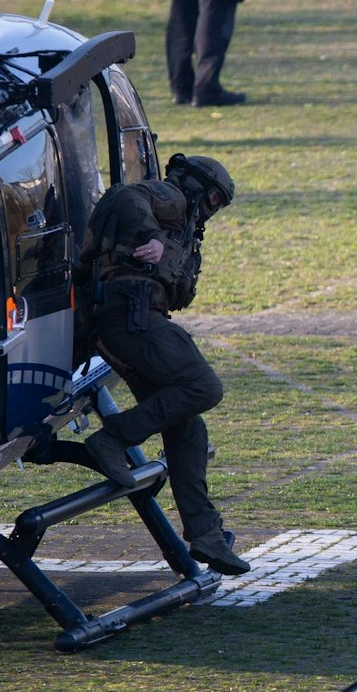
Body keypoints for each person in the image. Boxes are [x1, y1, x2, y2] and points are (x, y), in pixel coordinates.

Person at [78, 154, 250, 575]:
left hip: (131, 321)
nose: (210, 209)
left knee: (188, 426)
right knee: (203, 388)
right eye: (211, 198)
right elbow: (125, 195)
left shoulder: (184, 225)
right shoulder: (169, 197)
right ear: (195, 187)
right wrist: (150, 237)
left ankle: (206, 534)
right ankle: (113, 439)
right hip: (130, 318)